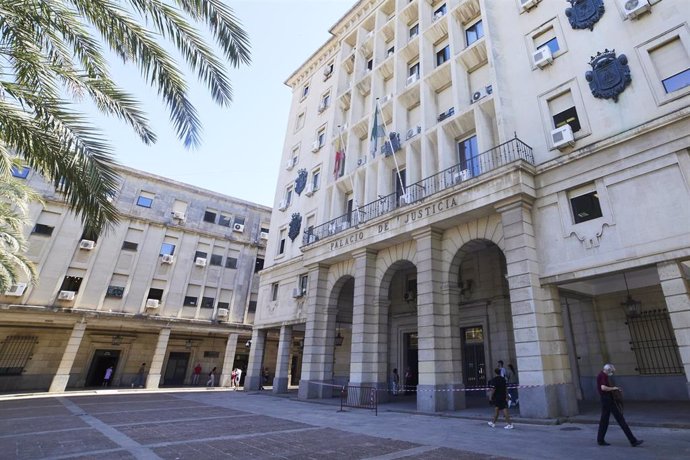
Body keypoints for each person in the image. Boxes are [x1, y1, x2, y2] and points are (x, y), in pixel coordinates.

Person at [596, 364, 643, 447]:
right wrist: (614, 388)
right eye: (612, 371)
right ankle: (633, 440)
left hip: (605, 400)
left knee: (604, 420)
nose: (612, 373)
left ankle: (600, 440)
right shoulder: (603, 376)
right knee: (620, 419)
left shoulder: (602, 375)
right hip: (608, 400)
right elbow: (603, 388)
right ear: (608, 370)